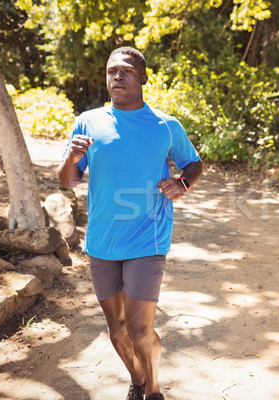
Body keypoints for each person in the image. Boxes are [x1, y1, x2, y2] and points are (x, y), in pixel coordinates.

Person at [57, 46, 203, 400]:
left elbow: (194, 164)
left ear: (142, 78)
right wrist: (74, 157)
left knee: (139, 330)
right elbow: (68, 181)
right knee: (117, 332)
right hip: (103, 241)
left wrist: (181, 183)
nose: (116, 77)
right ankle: (137, 381)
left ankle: (153, 392)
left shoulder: (165, 126)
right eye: (111, 72)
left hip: (147, 239)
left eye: (125, 71)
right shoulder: (88, 121)